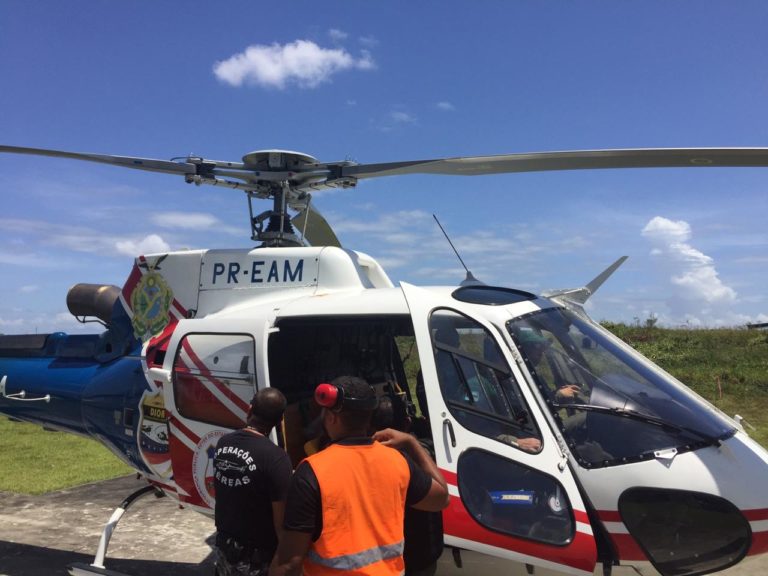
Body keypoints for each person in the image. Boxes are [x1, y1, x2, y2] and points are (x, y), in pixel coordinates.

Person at [269, 375, 450, 576]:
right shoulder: (398, 461)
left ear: (331, 417)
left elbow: (289, 563)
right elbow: (441, 498)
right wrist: (411, 442)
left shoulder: (311, 471)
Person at [213, 387, 293, 576]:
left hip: (225, 546)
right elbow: (281, 523)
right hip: (256, 556)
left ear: (249, 410)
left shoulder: (223, 443)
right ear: (280, 421)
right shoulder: (276, 458)